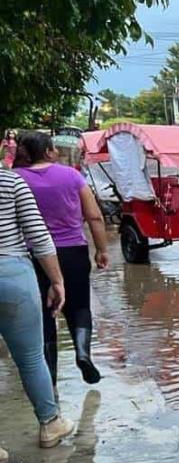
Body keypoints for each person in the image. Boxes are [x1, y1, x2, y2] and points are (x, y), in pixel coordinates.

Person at [0, 166, 77, 463]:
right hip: (12, 272)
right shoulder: (9, 181)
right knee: (31, 356)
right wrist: (57, 280)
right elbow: (37, 234)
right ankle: (50, 424)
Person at [14, 132, 110, 386]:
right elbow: (95, 216)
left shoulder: (16, 180)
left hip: (33, 256)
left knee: (44, 315)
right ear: (47, 152)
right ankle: (82, 353)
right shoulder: (71, 175)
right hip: (74, 252)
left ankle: (50, 380)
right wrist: (101, 249)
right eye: (54, 147)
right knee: (79, 306)